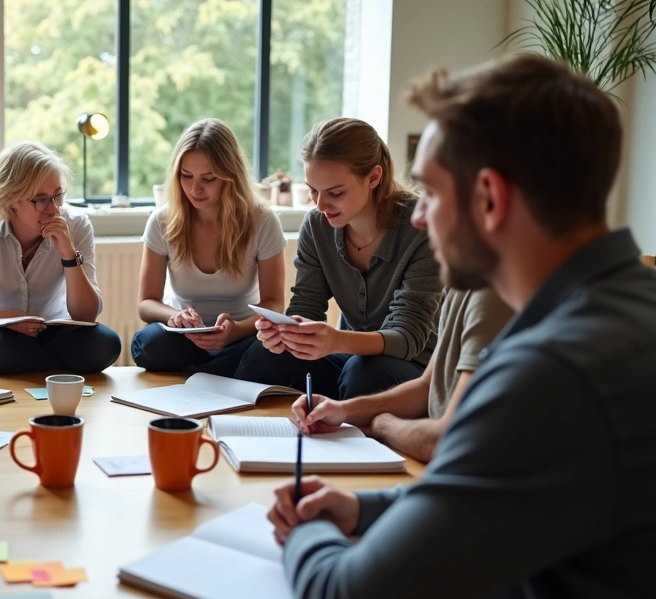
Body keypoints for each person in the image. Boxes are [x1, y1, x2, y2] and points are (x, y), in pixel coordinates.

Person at [268, 54, 656, 599]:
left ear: (490, 199)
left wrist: (305, 529)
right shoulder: (626, 308)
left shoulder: (552, 375)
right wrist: (360, 509)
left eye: (428, 192)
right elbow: (509, 494)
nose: (418, 219)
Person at [233, 117, 442, 400]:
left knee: (365, 373)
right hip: (352, 361)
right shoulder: (317, 226)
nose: (320, 205)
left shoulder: (421, 227)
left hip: (415, 374)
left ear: (373, 177)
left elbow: (407, 337)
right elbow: (306, 307)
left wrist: (337, 340)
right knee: (263, 354)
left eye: (335, 193)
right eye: (312, 190)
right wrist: (286, 333)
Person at [0, 141, 122, 374]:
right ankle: (47, 368)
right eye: (41, 200)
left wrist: (68, 254)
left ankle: (23, 367)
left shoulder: (76, 224)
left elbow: (87, 315)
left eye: (58, 196)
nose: (54, 209)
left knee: (106, 344)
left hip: (51, 333)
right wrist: (12, 319)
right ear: (11, 199)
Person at [130, 119, 286, 375]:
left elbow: (275, 303)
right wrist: (176, 317)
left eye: (209, 178)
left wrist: (236, 329)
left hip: (242, 334)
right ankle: (223, 369)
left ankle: (207, 368)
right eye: (186, 176)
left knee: (272, 350)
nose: (195, 189)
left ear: (230, 176)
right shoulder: (161, 221)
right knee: (147, 345)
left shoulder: (263, 220)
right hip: (185, 336)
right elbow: (146, 303)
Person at [289, 287, 512, 461]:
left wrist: (380, 426)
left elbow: (443, 441)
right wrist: (341, 410)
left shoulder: (490, 295)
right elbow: (426, 387)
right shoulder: (460, 286)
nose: (419, 225)